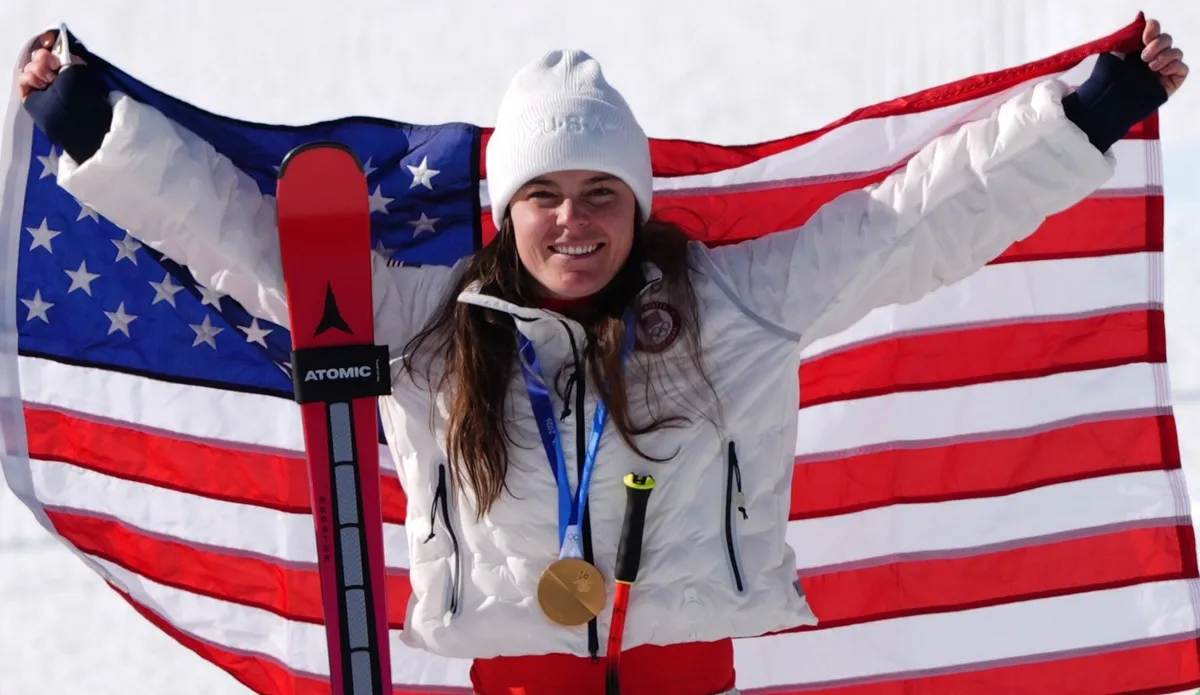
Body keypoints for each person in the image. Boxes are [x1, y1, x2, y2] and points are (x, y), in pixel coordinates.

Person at [15, 17, 1188, 695]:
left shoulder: (734, 303)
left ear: (636, 202)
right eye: (543, 196)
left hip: (690, 670)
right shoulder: (426, 320)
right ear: (502, 211)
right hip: (511, 678)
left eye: (598, 193)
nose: (572, 221)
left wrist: (1085, 115)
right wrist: (90, 125)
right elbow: (243, 244)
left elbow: (911, 222)